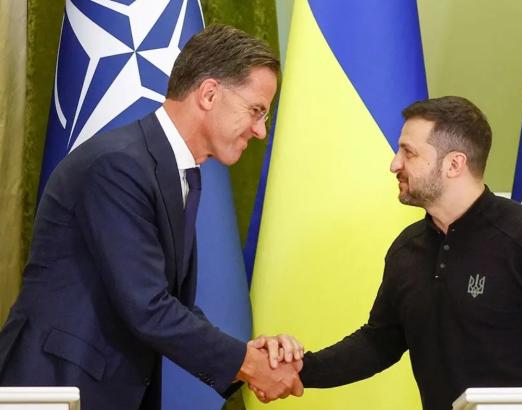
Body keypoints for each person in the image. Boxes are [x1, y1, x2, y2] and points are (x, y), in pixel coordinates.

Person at [0, 24, 303, 409]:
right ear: (209, 94)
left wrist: (247, 358)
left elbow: (166, 301)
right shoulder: (119, 166)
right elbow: (147, 307)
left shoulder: (171, 171)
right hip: (56, 386)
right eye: (256, 111)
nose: (260, 131)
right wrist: (247, 363)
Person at [259, 96, 522, 409]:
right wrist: (299, 369)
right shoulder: (407, 249)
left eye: (408, 152)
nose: (394, 164)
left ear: (454, 164)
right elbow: (378, 343)